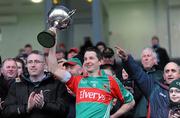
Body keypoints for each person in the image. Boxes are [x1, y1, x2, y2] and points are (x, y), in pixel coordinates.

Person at [50, 47, 135, 118]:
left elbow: (130, 102)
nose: (87, 61)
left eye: (91, 58)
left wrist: (113, 116)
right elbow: (53, 69)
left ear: (100, 61)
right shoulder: (77, 80)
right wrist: (52, 40)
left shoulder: (111, 81)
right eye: (85, 59)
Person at [115, 46, 180, 118]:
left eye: (173, 71)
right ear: (164, 76)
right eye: (167, 71)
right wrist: (127, 58)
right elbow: (139, 74)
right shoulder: (155, 89)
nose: (170, 74)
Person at [2, 51, 69, 118]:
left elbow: (64, 110)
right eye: (30, 62)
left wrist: (44, 105)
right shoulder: (16, 86)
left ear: (44, 65)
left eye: (37, 61)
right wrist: (26, 108)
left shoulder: (57, 85)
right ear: (26, 65)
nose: (33, 65)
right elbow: (6, 112)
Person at [134, 48, 163, 118]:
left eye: (148, 56)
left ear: (155, 60)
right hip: (139, 114)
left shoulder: (161, 75)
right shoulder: (136, 76)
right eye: (144, 56)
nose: (146, 58)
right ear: (141, 61)